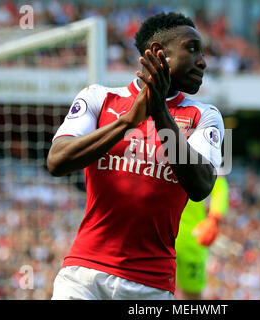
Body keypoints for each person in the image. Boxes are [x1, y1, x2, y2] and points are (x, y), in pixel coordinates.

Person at [47, 12, 225, 300]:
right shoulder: (99, 98)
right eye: (192, 49)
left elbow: (201, 187)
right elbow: (57, 161)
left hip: (150, 285)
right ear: (159, 53)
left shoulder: (205, 116)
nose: (203, 61)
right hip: (84, 275)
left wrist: (160, 114)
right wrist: (126, 122)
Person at [175, 175, 229, 299]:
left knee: (192, 292)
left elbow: (219, 185)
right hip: (159, 235)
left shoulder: (205, 156)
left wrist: (214, 217)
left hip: (193, 239)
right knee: (153, 288)